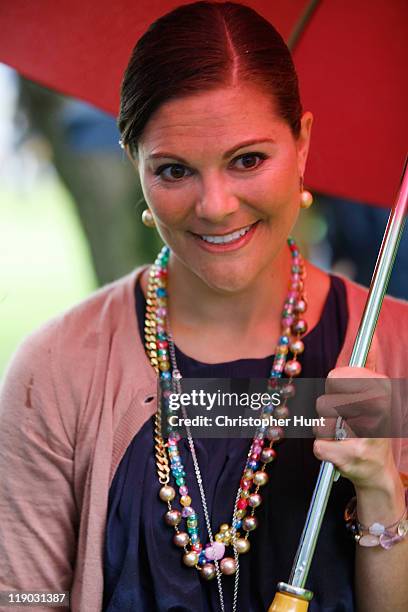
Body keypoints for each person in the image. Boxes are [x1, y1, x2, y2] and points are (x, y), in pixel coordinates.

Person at [0, 2, 407, 611]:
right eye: (173, 170)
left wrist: (380, 491)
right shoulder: (57, 368)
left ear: (302, 144)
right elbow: (27, 598)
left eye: (248, 159)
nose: (215, 205)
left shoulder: (392, 345)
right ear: (134, 165)